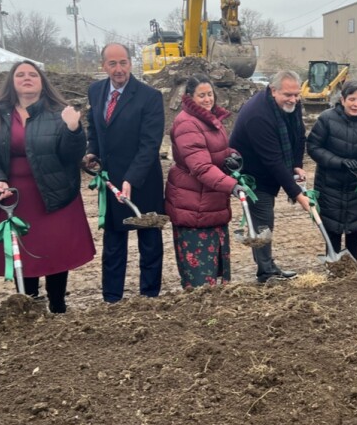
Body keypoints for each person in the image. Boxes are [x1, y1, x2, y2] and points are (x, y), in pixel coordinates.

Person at [0, 61, 95, 313]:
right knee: (23, 250)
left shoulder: (59, 110)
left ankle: (58, 305)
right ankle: (28, 303)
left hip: (54, 193)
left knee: (55, 250)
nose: (27, 78)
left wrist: (73, 129)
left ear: (42, 81)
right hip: (12, 195)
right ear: (11, 81)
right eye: (20, 74)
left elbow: (71, 156)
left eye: (33, 74)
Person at [85, 43, 165, 302]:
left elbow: (150, 144)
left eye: (123, 63)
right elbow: (95, 130)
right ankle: (112, 298)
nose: (119, 69)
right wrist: (91, 153)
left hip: (143, 180)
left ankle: (149, 295)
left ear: (131, 63)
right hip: (111, 181)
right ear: (103, 66)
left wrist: (132, 177)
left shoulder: (150, 97)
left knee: (149, 240)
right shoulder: (95, 92)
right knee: (114, 242)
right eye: (112, 64)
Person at [228, 69, 311, 283]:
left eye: (296, 94)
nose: (293, 99)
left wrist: (296, 164)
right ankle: (265, 272)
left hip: (270, 164)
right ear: (273, 90)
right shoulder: (258, 115)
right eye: (287, 95)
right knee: (264, 220)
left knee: (265, 220)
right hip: (252, 173)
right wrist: (298, 195)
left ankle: (267, 267)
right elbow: (273, 161)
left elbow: (298, 134)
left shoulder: (291, 104)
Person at [164, 74, 239, 288]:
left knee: (213, 277)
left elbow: (216, 151)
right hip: (193, 203)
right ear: (189, 97)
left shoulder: (211, 119)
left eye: (210, 94)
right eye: (201, 95)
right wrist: (231, 185)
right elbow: (201, 167)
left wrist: (232, 156)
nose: (207, 100)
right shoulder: (186, 123)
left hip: (211, 203)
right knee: (200, 281)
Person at [306, 81, 357, 260]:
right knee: (332, 227)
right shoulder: (327, 118)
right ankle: (333, 266)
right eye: (351, 99)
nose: (355, 104)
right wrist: (339, 162)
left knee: (355, 229)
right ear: (343, 99)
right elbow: (313, 147)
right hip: (329, 183)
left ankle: (351, 269)